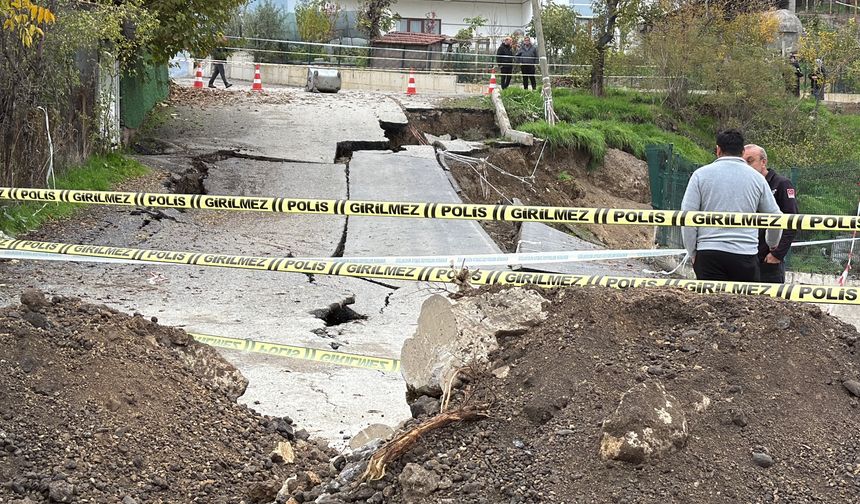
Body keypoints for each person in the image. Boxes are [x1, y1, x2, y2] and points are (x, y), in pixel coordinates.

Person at [681, 129, 783, 282]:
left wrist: (693, 252)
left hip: (709, 252)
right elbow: (775, 216)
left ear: (718, 150)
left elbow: (687, 217)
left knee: (710, 304)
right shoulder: (757, 179)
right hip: (745, 253)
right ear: (742, 151)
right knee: (743, 303)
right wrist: (772, 244)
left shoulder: (700, 175)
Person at [743, 144, 799, 283]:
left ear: (763, 162)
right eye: (742, 162)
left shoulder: (781, 184)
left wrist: (777, 254)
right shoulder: (742, 185)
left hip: (768, 259)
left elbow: (792, 221)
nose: (746, 166)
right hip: (744, 256)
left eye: (750, 161)